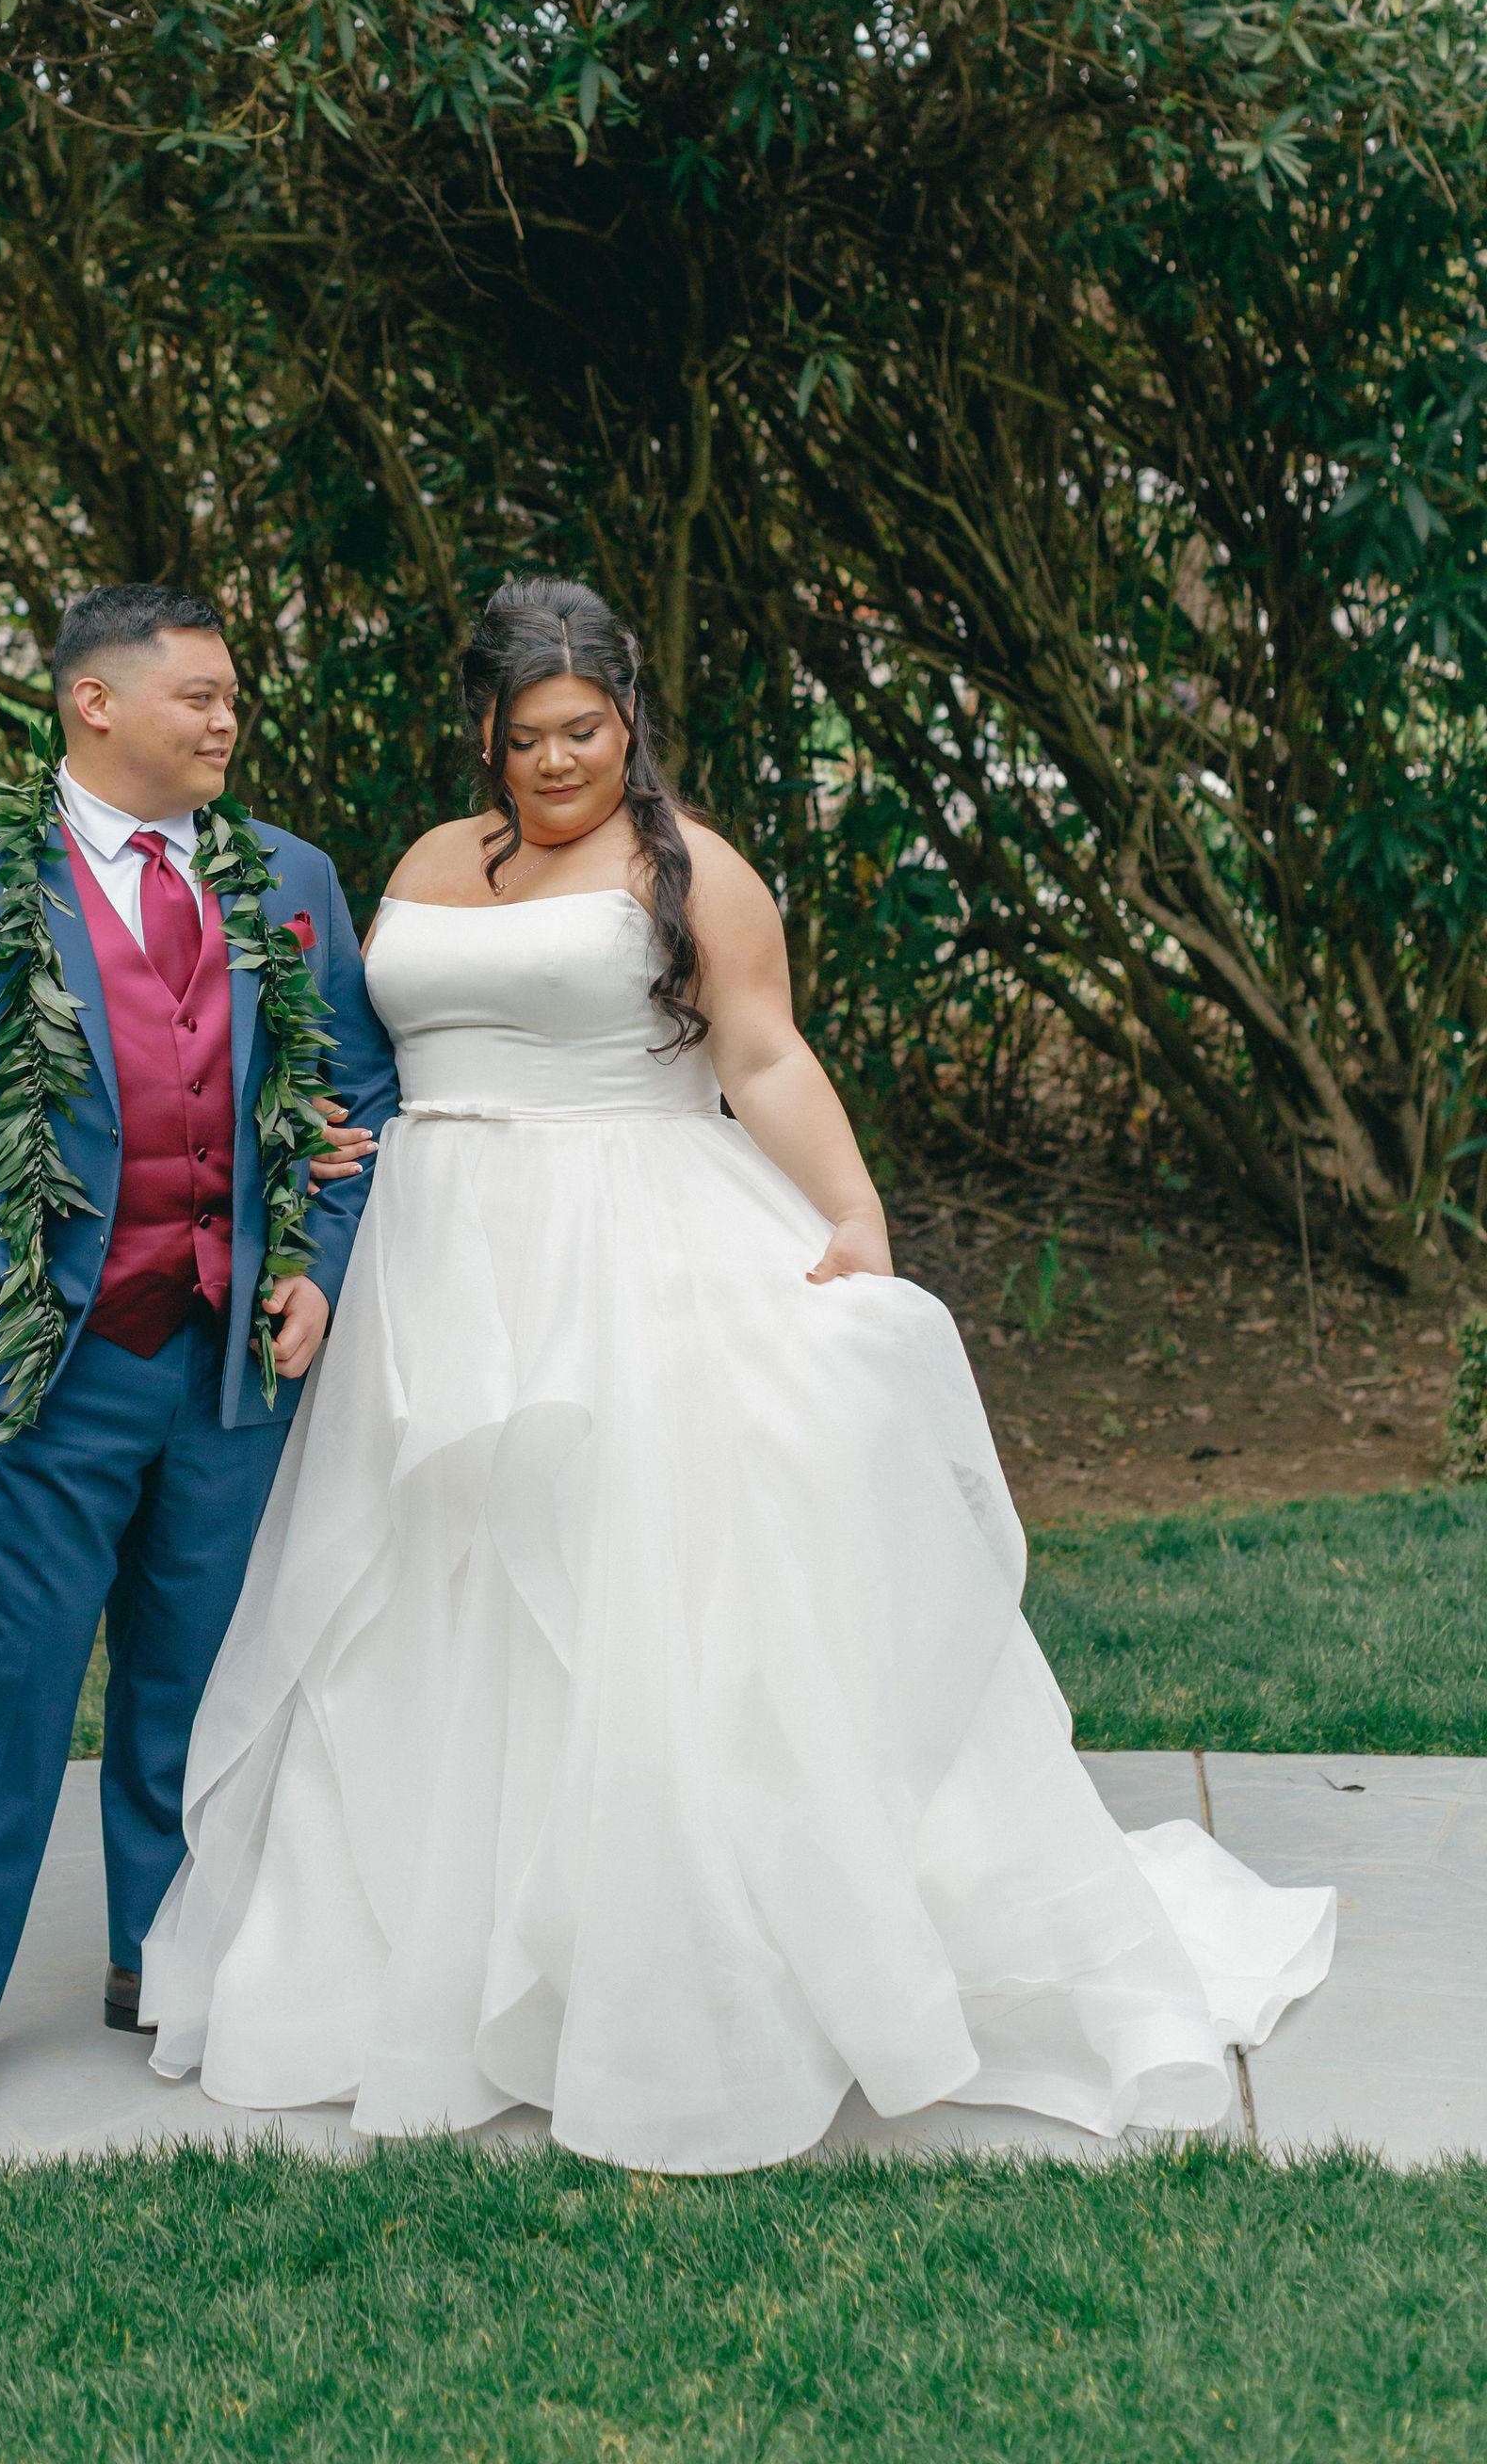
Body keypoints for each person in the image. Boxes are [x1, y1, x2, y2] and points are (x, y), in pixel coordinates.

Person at [138, 575, 1334, 2172]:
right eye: (527, 733)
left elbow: (762, 1056)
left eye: (585, 728)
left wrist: (854, 1215)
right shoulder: (427, 864)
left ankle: (661, 1981)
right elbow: (361, 1060)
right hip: (442, 1269)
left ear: (628, 716)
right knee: (431, 1603)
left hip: (630, 1257)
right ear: (484, 730)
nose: (557, 759)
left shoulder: (693, 871)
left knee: (631, 1606)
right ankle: (421, 1975)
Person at [0, 583, 399, 2123]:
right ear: (95, 702)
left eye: (233, 698)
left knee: (198, 1678)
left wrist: (319, 1270)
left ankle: (165, 1955)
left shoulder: (291, 876)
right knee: (6, 1683)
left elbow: (362, 1096)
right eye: (199, 696)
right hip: (46, 1360)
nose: (228, 721)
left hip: (231, 1358)